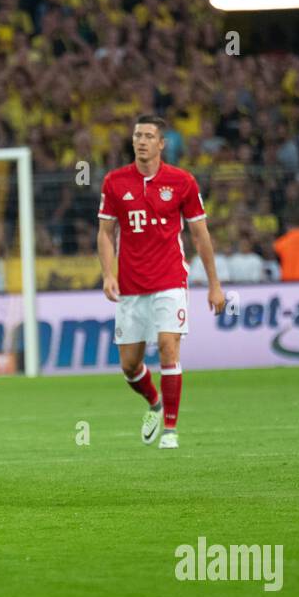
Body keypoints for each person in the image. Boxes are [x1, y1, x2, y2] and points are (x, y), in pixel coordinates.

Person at [98, 114, 226, 450]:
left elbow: (200, 235)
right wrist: (108, 273)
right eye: (137, 134)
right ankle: (154, 404)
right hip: (130, 285)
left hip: (170, 279)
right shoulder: (114, 181)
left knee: (169, 349)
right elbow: (105, 232)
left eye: (148, 135)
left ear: (161, 143)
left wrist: (214, 284)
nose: (141, 140)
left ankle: (171, 429)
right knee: (129, 366)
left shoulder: (182, 181)